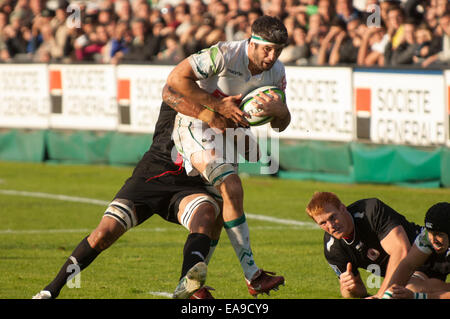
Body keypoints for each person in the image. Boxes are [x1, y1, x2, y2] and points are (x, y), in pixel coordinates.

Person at [32, 96, 232, 299]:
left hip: (190, 184)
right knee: (103, 234)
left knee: (205, 212)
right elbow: (180, 95)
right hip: (152, 174)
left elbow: (251, 150)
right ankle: (49, 291)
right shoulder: (183, 85)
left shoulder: (230, 96)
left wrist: (253, 117)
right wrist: (221, 110)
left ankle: (187, 287)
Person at [165, 15, 290, 298]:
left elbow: (280, 122)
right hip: (195, 124)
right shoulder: (223, 54)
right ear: (252, 42)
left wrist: (283, 113)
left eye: (278, 51)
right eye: (267, 49)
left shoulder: (277, 72)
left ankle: (189, 286)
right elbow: (174, 79)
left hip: (228, 133)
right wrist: (217, 105)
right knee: (231, 186)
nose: (272, 56)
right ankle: (253, 275)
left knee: (221, 211)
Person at [305, 191, 428, 299]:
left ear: (342, 208)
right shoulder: (332, 248)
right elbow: (357, 291)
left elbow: (401, 251)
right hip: (410, 275)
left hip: (431, 253)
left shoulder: (370, 211)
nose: (331, 225)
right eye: (323, 223)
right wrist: (349, 288)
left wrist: (381, 295)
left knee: (409, 291)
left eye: (332, 217)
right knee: (403, 291)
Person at [383, 202, 450, 299]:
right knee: (411, 288)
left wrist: (417, 297)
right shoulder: (426, 236)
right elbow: (407, 266)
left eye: (439, 234)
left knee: (420, 291)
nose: (433, 240)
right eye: (430, 232)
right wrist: (387, 295)